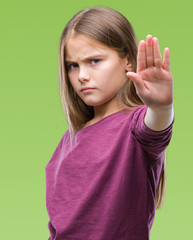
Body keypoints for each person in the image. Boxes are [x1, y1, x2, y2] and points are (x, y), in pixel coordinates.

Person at [45, 6, 174, 240]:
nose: (82, 75)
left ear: (127, 60)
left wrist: (162, 107)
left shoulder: (135, 125)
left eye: (94, 61)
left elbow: (157, 128)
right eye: (72, 65)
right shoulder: (68, 141)